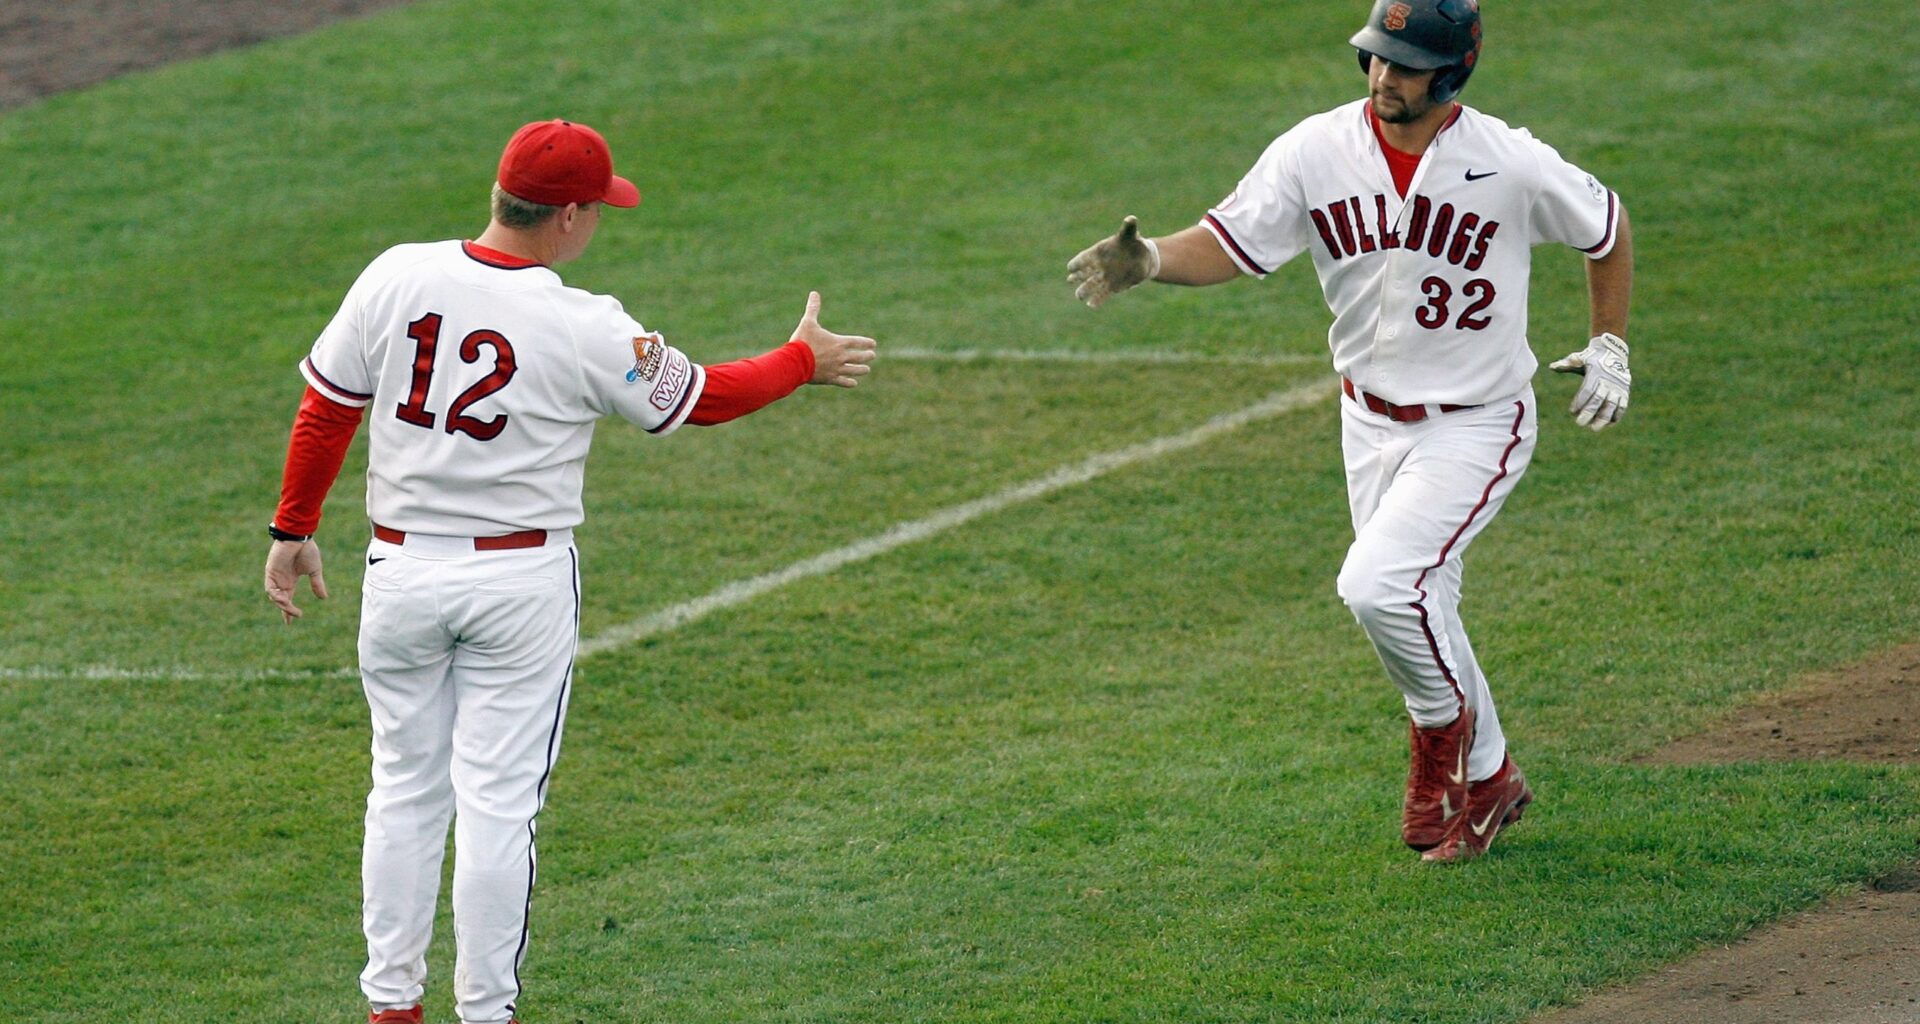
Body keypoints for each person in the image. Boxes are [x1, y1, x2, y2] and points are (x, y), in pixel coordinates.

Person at [262, 118, 876, 1024]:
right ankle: (484, 1013)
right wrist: (801, 360)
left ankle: (391, 1005)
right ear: (572, 215)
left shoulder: (395, 273)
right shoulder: (581, 322)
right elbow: (702, 400)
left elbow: (326, 408)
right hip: (519, 586)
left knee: (401, 789)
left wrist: (293, 528)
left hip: (398, 572)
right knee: (499, 808)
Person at [1066, 0, 1632, 863]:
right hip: (1365, 421)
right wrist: (1149, 262)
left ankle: (1439, 755)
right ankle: (1493, 781)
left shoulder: (1507, 163)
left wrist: (1609, 345)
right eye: (1375, 57)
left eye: (1404, 65)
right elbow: (1233, 240)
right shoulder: (1317, 149)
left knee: (1376, 587)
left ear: (1451, 75)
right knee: (1420, 604)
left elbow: (1607, 224)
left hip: (1477, 424)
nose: (1382, 76)